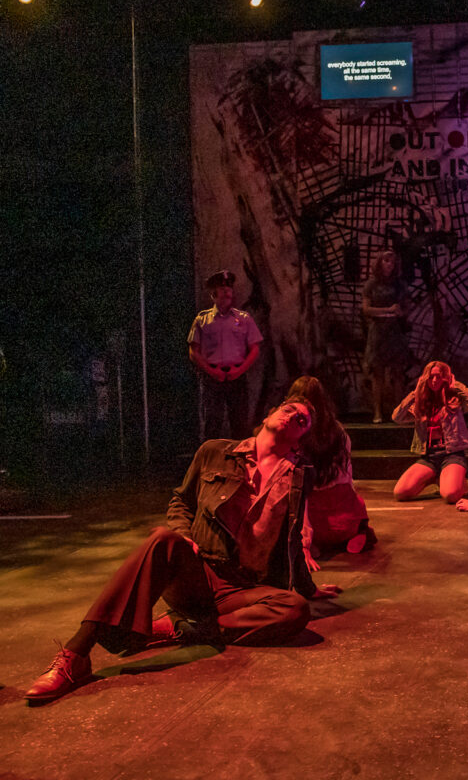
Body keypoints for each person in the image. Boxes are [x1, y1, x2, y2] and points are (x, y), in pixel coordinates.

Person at [24, 396, 342, 704]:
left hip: (245, 588)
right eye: (288, 409)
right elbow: (180, 501)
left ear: (301, 438)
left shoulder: (300, 476)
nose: (293, 416)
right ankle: (76, 654)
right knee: (162, 539)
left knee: (295, 609)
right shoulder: (215, 452)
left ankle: (186, 628)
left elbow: (291, 540)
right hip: (200, 572)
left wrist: (309, 589)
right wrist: (182, 533)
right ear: (267, 417)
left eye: (302, 419)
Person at [288, 376, 374, 564]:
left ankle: (315, 542)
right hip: (343, 515)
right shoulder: (338, 431)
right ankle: (356, 533)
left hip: (311, 514)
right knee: (355, 508)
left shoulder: (292, 433)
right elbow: (347, 476)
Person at [391, 361, 468, 503]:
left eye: (439, 377)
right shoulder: (420, 403)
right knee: (401, 493)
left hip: (452, 455)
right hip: (429, 456)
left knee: (451, 496)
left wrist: (454, 384)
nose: (434, 381)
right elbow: (397, 417)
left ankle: (455, 481)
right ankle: (433, 478)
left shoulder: (454, 399)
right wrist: (415, 392)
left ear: (445, 378)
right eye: (431, 377)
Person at [188, 270, 263, 440]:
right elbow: (193, 351)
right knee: (211, 424)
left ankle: (240, 463)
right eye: (223, 289)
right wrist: (211, 371)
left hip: (236, 376)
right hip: (212, 377)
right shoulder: (202, 320)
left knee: (240, 424)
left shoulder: (244, 319)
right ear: (213, 293)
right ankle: (211, 463)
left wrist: (240, 370)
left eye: (229, 288)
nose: (227, 291)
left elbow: (255, 349)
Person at [363, 249, 413, 423]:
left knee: (398, 374)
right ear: (379, 263)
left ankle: (398, 411)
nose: (389, 265)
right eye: (386, 261)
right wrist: (387, 310)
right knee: (378, 374)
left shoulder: (400, 285)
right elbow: (366, 309)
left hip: (395, 331)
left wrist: (400, 312)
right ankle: (377, 411)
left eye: (392, 262)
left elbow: (407, 308)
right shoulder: (372, 284)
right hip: (378, 331)